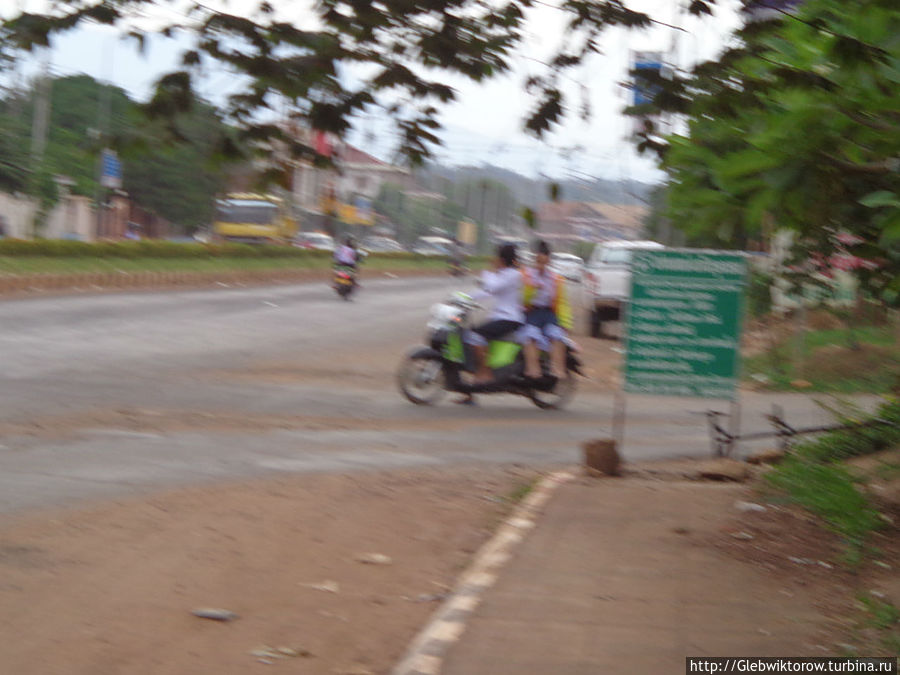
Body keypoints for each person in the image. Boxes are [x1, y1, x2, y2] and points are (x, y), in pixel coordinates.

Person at [455, 243, 524, 405]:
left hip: (510, 319)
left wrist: (488, 272)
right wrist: (463, 298)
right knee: (468, 337)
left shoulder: (512, 275)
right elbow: (485, 291)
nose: (493, 261)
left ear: (500, 259)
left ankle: (486, 373)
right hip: (499, 317)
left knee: (475, 336)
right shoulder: (503, 274)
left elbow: (490, 288)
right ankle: (470, 393)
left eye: (495, 258)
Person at [520, 240, 573, 379]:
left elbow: (562, 302)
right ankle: (533, 369)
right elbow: (522, 299)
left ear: (549, 260)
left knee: (557, 336)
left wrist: (566, 323)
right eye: (539, 261)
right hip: (532, 312)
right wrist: (533, 288)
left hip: (549, 313)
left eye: (544, 262)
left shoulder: (556, 279)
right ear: (535, 259)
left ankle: (558, 369)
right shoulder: (526, 275)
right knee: (530, 336)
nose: (541, 265)